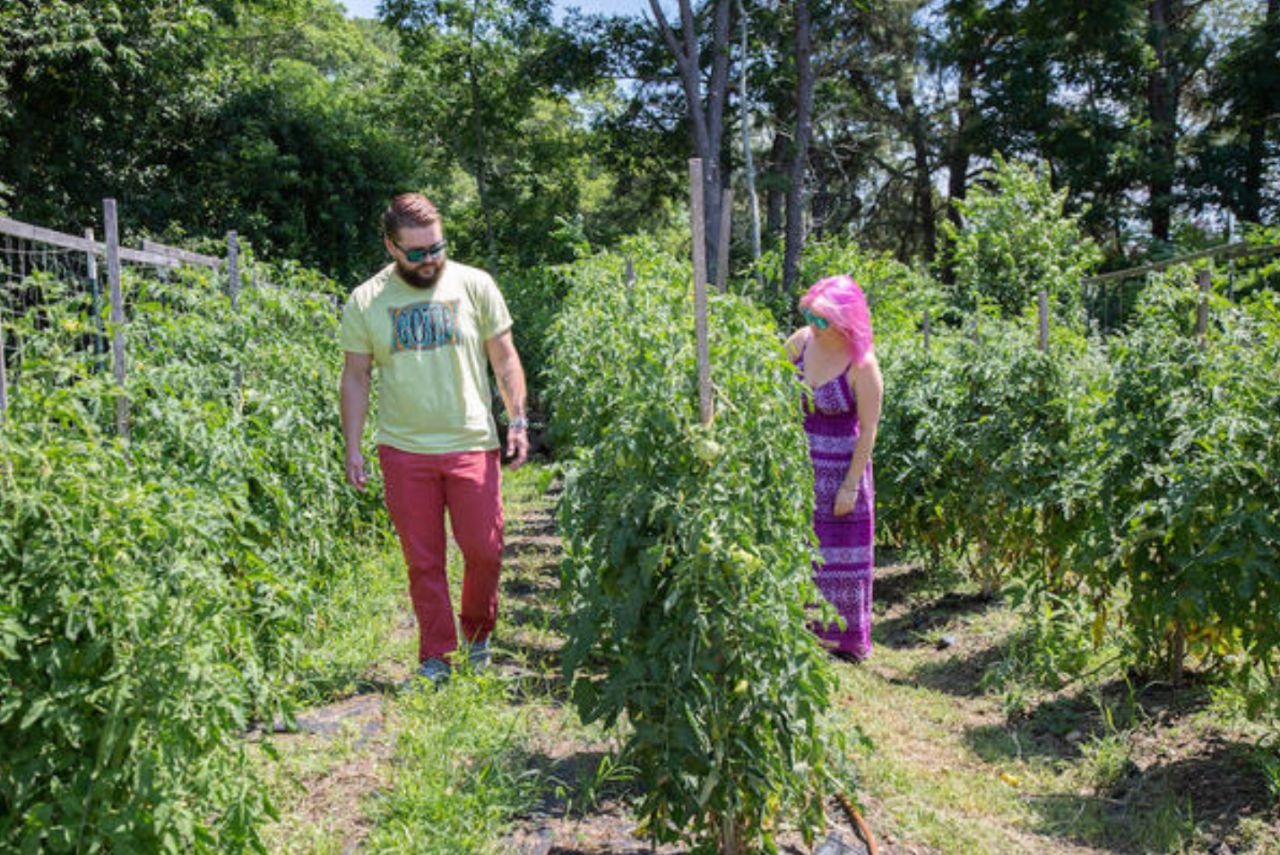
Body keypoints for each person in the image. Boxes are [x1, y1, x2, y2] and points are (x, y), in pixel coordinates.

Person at [339, 192, 528, 687]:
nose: (430, 261)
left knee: (484, 549)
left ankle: (478, 637)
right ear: (391, 246)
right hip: (404, 451)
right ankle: (436, 659)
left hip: (471, 441)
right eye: (416, 253)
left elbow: (504, 357)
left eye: (436, 248)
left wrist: (519, 419)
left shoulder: (475, 285)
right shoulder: (367, 300)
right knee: (424, 561)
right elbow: (355, 377)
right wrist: (353, 446)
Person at [785, 276, 883, 662]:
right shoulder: (799, 343)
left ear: (845, 321)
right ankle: (800, 630)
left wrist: (849, 486)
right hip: (798, 469)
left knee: (841, 554)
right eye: (810, 314)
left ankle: (842, 641)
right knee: (802, 550)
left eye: (822, 319)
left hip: (841, 468)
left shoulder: (862, 363)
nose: (813, 324)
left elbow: (869, 429)